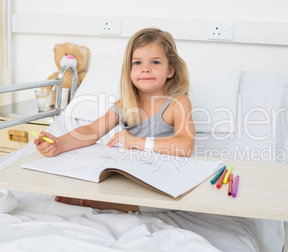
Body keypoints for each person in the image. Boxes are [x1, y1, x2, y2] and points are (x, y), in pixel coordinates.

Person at [34, 28, 195, 212]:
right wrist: (59, 143)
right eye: (137, 63)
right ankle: (99, 199)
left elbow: (185, 146)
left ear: (170, 70)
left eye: (155, 62)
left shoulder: (178, 103)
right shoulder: (125, 104)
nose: (145, 68)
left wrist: (136, 141)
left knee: (165, 203)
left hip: (162, 174)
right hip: (135, 171)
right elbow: (91, 131)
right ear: (129, 69)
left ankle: (100, 203)